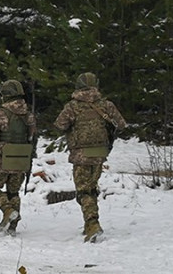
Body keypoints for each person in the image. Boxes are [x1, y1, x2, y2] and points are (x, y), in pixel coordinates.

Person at [53, 72, 126, 243]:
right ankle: (89, 224)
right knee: (91, 189)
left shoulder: (72, 107)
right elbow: (121, 124)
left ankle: (93, 223)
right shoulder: (107, 105)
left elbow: (60, 125)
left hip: (81, 154)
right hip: (100, 153)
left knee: (83, 191)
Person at [0, 80, 38, 237]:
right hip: (22, 159)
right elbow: (33, 137)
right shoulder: (29, 115)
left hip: (3, 159)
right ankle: (13, 226)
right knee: (13, 192)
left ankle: (8, 210)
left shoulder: (0, 115)